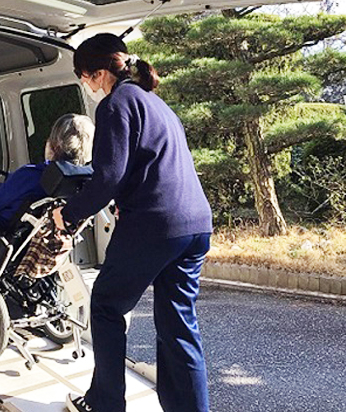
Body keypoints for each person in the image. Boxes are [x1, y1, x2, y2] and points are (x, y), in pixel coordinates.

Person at [53, 34, 212, 412]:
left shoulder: (114, 104)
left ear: (97, 73)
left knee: (107, 305)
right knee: (178, 327)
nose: (85, 85)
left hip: (155, 224)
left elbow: (108, 176)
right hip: (195, 224)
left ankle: (104, 404)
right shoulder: (156, 104)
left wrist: (69, 214)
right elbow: (144, 169)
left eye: (83, 76)